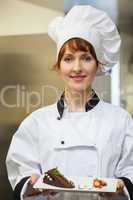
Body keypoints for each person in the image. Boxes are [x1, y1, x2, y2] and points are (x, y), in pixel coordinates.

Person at [6, 5, 133, 200]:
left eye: (86, 58)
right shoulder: (36, 123)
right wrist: (31, 184)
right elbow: (21, 175)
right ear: (58, 66)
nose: (77, 68)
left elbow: (130, 171)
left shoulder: (120, 120)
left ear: (98, 64)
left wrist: (120, 188)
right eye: (68, 59)